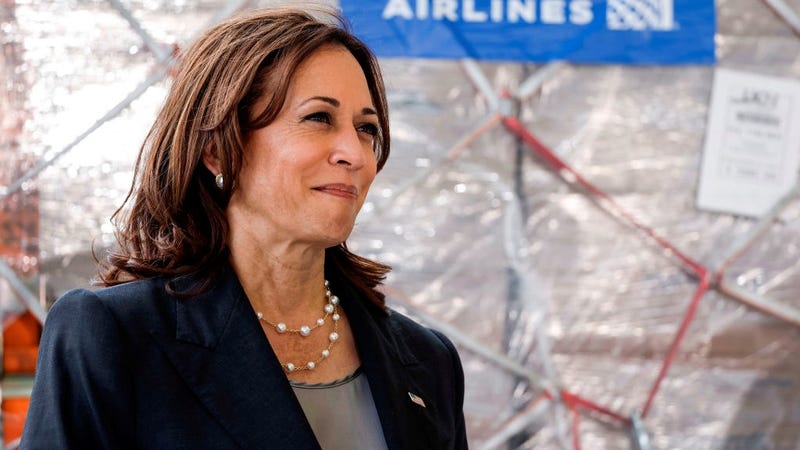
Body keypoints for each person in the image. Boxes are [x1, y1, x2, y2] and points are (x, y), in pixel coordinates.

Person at [20, 5, 467, 450]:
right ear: (216, 148)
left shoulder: (428, 361)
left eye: (366, 128)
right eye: (318, 118)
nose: (355, 153)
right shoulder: (113, 336)